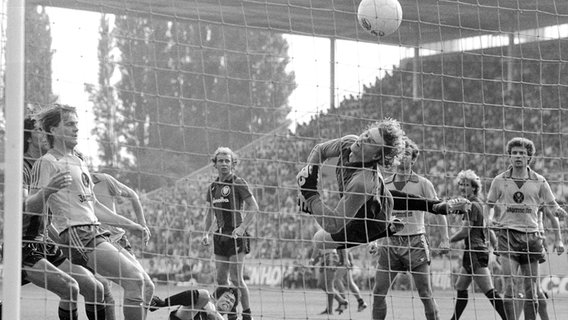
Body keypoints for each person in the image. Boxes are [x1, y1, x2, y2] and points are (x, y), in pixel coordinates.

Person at [30, 104, 151, 320]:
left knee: (146, 285)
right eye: (69, 124)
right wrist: (47, 192)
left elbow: (93, 206)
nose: (76, 128)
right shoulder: (47, 162)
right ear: (53, 130)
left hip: (94, 230)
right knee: (134, 280)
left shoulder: (79, 161)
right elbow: (30, 207)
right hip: (77, 232)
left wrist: (130, 224)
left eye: (77, 124)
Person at [296, 118, 470, 250]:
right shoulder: (349, 142)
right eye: (366, 134)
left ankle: (387, 228)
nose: (363, 139)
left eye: (371, 141)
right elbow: (320, 149)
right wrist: (311, 172)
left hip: (369, 223)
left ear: (377, 156)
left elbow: (333, 224)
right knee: (384, 197)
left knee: (318, 241)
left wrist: (310, 194)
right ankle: (437, 206)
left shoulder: (361, 183)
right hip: (384, 199)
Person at [1, 116, 108, 320]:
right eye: (39, 130)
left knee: (95, 287)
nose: (45, 133)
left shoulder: (55, 162)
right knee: (69, 288)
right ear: (29, 136)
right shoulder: (20, 168)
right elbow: (22, 209)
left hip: (44, 242)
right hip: (21, 245)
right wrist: (48, 190)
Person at [487, 137, 567, 320]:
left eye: (522, 153)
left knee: (533, 290)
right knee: (509, 285)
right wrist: (487, 218)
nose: (518, 156)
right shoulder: (499, 180)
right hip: (507, 234)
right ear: (509, 156)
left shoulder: (539, 181)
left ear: (529, 157)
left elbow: (552, 206)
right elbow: (489, 204)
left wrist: (558, 212)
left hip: (532, 237)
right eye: (514, 153)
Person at [370, 137, 450, 320]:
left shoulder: (423, 184)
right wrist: (374, 240)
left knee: (425, 293)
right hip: (390, 241)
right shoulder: (384, 184)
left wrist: (445, 238)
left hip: (415, 241)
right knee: (378, 292)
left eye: (406, 153)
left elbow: (439, 210)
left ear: (413, 159)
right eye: (399, 153)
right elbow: (377, 215)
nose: (402, 157)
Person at [201, 147, 260, 320]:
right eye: (221, 160)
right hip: (219, 237)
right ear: (215, 164)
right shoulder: (212, 187)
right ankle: (231, 315)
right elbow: (209, 213)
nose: (224, 164)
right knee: (220, 279)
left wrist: (241, 228)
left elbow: (254, 207)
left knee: (236, 279)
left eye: (228, 161)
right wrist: (205, 233)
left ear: (233, 163)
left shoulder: (238, 182)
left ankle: (247, 315)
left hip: (236, 236)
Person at [91, 171, 156, 318]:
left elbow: (133, 195)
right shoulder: (71, 185)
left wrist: (143, 225)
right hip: (94, 240)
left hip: (117, 240)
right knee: (102, 288)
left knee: (148, 287)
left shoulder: (104, 179)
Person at [448, 169, 507, 320]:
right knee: (460, 286)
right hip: (472, 251)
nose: (462, 187)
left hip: (475, 251)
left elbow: (465, 231)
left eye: (466, 184)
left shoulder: (472, 205)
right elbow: (488, 230)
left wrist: (447, 241)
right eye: (461, 184)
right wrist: (496, 249)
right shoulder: (479, 203)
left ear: (474, 187)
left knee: (489, 291)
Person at [149, 286, 240, 320]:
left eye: (232, 301)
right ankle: (162, 303)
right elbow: (210, 308)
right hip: (183, 317)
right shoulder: (207, 302)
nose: (228, 301)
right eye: (226, 297)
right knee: (204, 295)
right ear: (215, 298)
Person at [309, 237, 348, 315]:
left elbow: (343, 246)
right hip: (323, 259)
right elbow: (317, 249)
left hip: (331, 258)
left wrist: (346, 259)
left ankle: (330, 310)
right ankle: (341, 301)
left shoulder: (327, 233)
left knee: (329, 285)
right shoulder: (318, 236)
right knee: (321, 284)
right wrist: (312, 261)